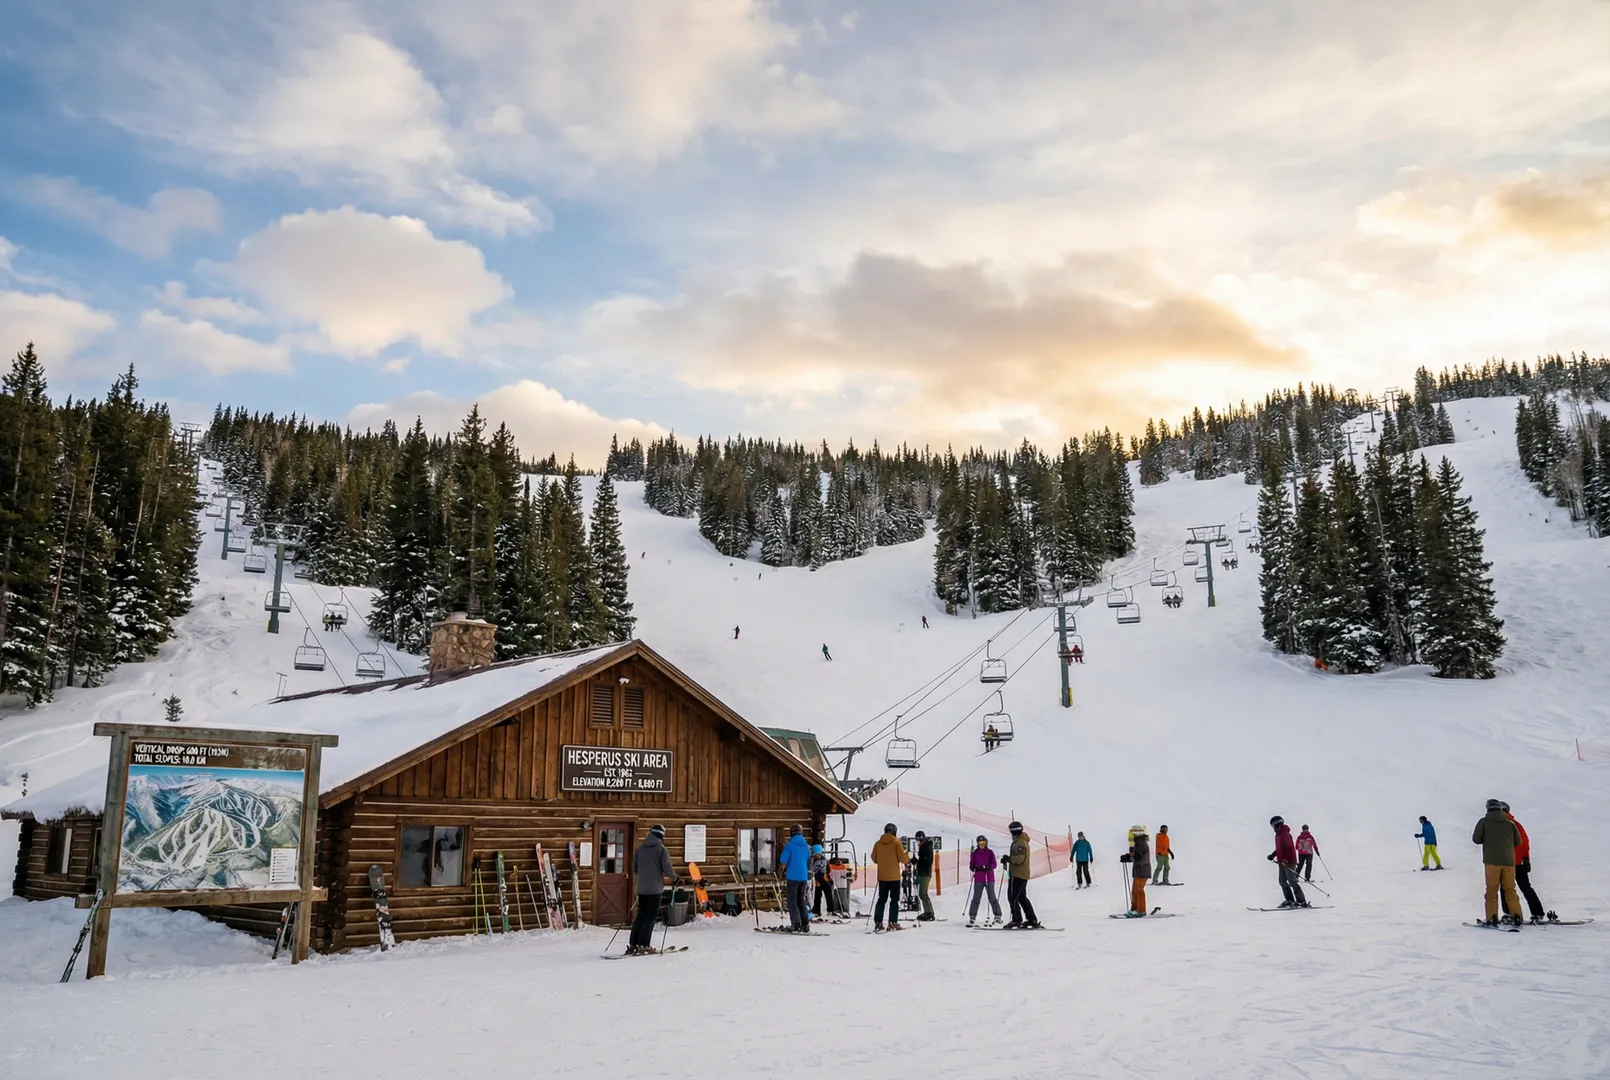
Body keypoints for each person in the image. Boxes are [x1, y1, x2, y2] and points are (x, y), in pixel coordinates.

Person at [1472, 798, 1523, 928]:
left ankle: (1492, 917)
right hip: (1509, 862)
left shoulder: (1484, 822)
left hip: (1492, 862)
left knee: (1491, 891)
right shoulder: (1510, 823)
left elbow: (1476, 839)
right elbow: (1518, 841)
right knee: (1510, 890)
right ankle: (1517, 915)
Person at [629, 824, 675, 954]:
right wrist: (676, 879)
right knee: (650, 918)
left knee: (641, 916)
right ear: (661, 835)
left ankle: (633, 944)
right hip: (655, 890)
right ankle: (644, 945)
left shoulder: (640, 849)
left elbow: (634, 869)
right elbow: (667, 869)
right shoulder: (661, 850)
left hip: (642, 889)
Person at [1502, 803, 1548, 923]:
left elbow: (1523, 842)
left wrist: (1525, 858)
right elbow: (1525, 842)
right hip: (1517, 862)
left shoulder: (1508, 824)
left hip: (1508, 863)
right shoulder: (1514, 824)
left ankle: (1508, 913)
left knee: (1506, 889)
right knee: (1525, 887)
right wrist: (1526, 858)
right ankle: (1537, 912)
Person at [871, 823, 909, 931]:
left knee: (881, 899)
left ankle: (878, 922)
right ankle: (892, 921)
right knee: (894, 900)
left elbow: (874, 858)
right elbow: (903, 859)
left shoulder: (878, 844)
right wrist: (906, 855)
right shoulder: (897, 842)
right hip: (894, 877)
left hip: (882, 877)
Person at [1004, 820, 1040, 928]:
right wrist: (1008, 859)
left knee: (1013, 897)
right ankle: (1031, 919)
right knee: (1021, 897)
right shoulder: (1019, 841)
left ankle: (1016, 920)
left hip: (1018, 874)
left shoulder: (1020, 842)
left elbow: (1020, 858)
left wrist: (1009, 859)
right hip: (1021, 874)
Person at [777, 825, 813, 932]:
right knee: (801, 900)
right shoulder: (806, 847)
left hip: (792, 877)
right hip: (803, 877)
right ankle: (805, 924)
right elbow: (808, 860)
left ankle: (796, 923)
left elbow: (783, 859)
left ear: (791, 833)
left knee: (792, 901)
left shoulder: (790, 845)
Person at [1267, 815, 1308, 908]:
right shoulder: (1278, 835)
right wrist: (1273, 855)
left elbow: (1289, 848)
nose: (1272, 828)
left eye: (1273, 825)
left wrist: (1286, 860)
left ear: (1277, 824)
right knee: (1282, 881)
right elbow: (1280, 849)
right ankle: (1289, 900)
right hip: (1282, 862)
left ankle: (1301, 901)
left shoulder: (1284, 834)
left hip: (1289, 861)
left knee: (1292, 881)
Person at [967, 835, 1004, 926]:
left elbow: (994, 864)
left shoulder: (990, 852)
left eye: (983, 843)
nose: (982, 844)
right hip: (979, 878)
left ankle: (998, 915)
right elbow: (971, 864)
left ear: (986, 843)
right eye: (980, 843)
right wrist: (973, 867)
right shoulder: (975, 853)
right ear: (977, 843)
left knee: (992, 897)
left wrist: (988, 867)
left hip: (989, 878)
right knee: (976, 897)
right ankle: (972, 916)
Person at [1120, 827, 1151, 915]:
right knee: (1134, 890)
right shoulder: (1138, 843)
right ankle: (1134, 909)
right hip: (1138, 870)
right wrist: (1127, 857)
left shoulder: (1141, 843)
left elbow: (1138, 857)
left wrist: (1128, 858)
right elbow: (1135, 855)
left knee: (1139, 890)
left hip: (1143, 870)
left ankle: (1141, 910)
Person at [913, 831, 936, 921]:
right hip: (923, 872)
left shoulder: (926, 847)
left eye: (919, 840)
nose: (918, 842)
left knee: (923, 893)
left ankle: (929, 913)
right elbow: (923, 860)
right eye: (917, 840)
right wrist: (917, 862)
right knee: (922, 893)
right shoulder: (924, 846)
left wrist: (920, 866)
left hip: (925, 873)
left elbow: (927, 861)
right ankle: (928, 912)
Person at [809, 844, 831, 917]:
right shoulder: (815, 860)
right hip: (818, 879)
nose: (816, 856)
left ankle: (830, 909)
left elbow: (820, 870)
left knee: (828, 895)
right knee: (817, 896)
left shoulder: (822, 860)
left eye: (817, 854)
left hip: (823, 879)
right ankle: (817, 910)